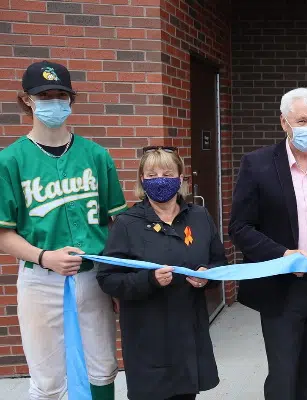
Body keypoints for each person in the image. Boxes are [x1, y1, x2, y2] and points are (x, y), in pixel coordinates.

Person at [0, 61, 126, 400]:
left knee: (102, 366)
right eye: (44, 96)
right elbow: (3, 233)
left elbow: (117, 224)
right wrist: (44, 256)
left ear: (71, 99)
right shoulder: (10, 160)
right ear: (26, 100)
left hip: (94, 274)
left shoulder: (96, 156)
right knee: (48, 379)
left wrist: (117, 278)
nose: (53, 102)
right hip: (40, 279)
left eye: (60, 95)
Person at [228, 88, 307, 400]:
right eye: (302, 120)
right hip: (280, 288)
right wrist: (284, 255)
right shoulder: (257, 165)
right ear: (284, 122)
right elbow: (240, 227)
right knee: (283, 376)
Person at [96, 147, 224, 400]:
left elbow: (219, 262)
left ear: (180, 178)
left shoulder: (199, 217)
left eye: (167, 173)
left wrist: (207, 275)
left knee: (186, 394)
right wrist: (149, 280)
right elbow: (108, 278)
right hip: (148, 334)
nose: (160, 180)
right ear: (142, 180)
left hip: (189, 329)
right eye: (152, 174)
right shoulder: (127, 223)